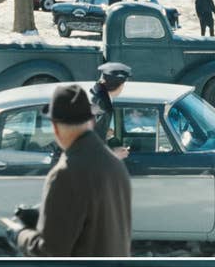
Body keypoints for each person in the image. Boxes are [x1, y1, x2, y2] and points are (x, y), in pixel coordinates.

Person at [8, 84, 132, 257]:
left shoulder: (66, 172)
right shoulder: (115, 164)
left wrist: (19, 234)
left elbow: (50, 252)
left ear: (55, 128)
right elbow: (91, 216)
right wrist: (42, 213)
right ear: (91, 121)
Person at [89, 62, 132, 158]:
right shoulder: (102, 105)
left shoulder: (98, 97)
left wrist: (104, 133)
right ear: (119, 85)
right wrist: (113, 153)